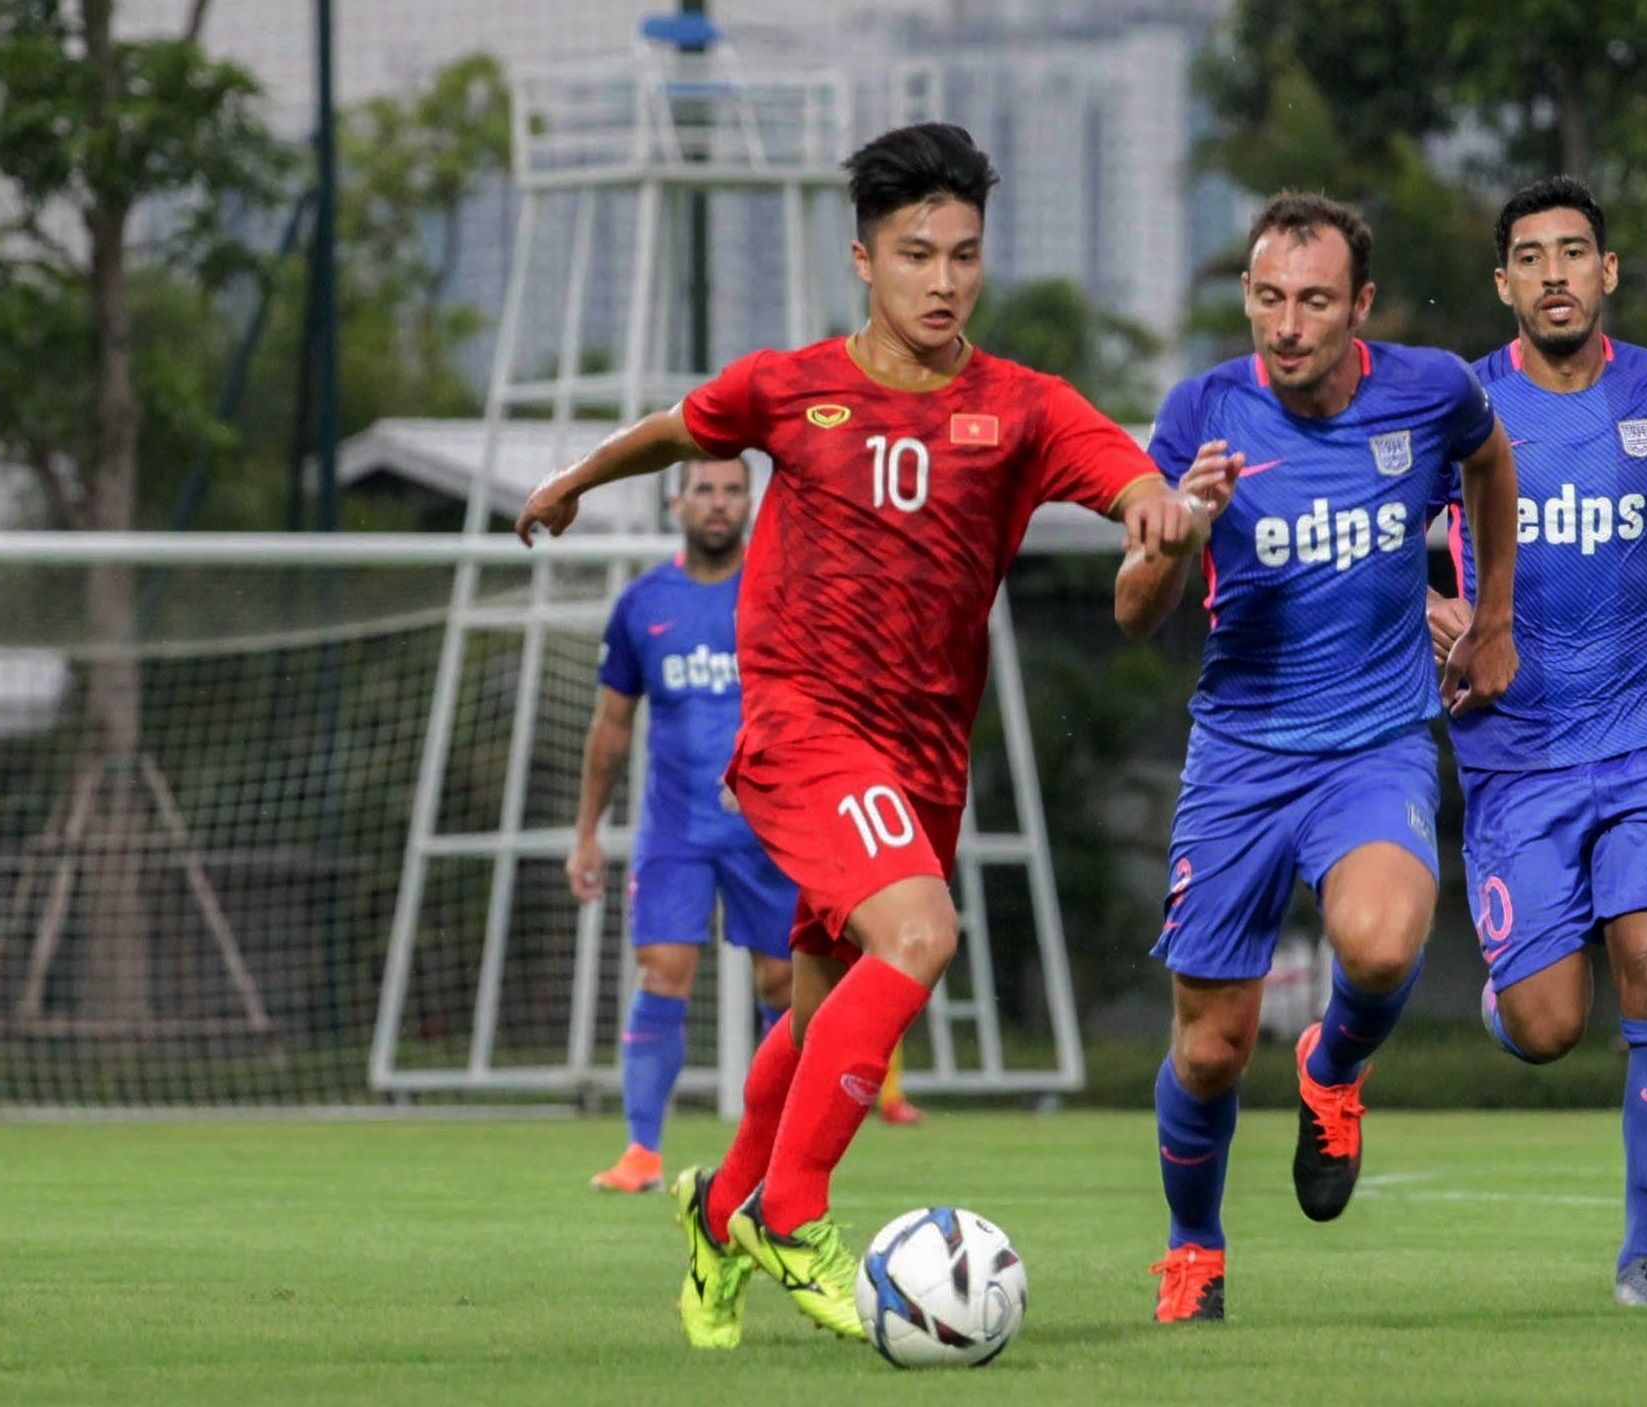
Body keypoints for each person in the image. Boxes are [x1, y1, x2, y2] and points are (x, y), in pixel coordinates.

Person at [514, 122, 1225, 1349]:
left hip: (922, 758)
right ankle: (793, 1217)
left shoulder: (1018, 407)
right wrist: (576, 478)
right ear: (863, 261)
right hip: (798, 724)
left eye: (962, 255)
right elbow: (684, 428)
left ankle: (720, 1206)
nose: (943, 281)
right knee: (920, 932)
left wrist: (1159, 505)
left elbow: (1118, 472)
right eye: (915, 255)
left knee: (820, 1006)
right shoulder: (791, 388)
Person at [1120, 191, 1521, 1324]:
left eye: (1311, 301)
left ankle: (1332, 1069)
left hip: (1377, 746)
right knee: (1207, 1053)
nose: (1285, 324)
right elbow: (1131, 610)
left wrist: (1490, 617)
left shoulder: (1430, 390)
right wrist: (1176, 532)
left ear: (1360, 307)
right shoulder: (1199, 412)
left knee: (1383, 947)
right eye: (1265, 298)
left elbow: (1489, 467)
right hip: (1239, 760)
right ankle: (1192, 1249)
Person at [1429, 177, 1647, 1309]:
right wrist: (1436, 616)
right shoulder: (1460, 407)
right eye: (1529, 258)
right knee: (1546, 1028)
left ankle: (1645, 1261)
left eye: (1574, 252)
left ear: (1607, 272)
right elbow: (1385, 542)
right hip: (1512, 759)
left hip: (1640, 742)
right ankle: (1506, 997)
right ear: (1502, 284)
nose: (1554, 274)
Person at [572, 459, 801, 1195]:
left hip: (771, 827)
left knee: (785, 981)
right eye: (704, 488)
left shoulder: (780, 595)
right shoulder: (643, 603)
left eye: (733, 489)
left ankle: (775, 1152)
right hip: (675, 829)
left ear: (748, 503)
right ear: (676, 501)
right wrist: (586, 831)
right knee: (663, 970)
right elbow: (611, 727)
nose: (718, 502)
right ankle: (641, 1150)